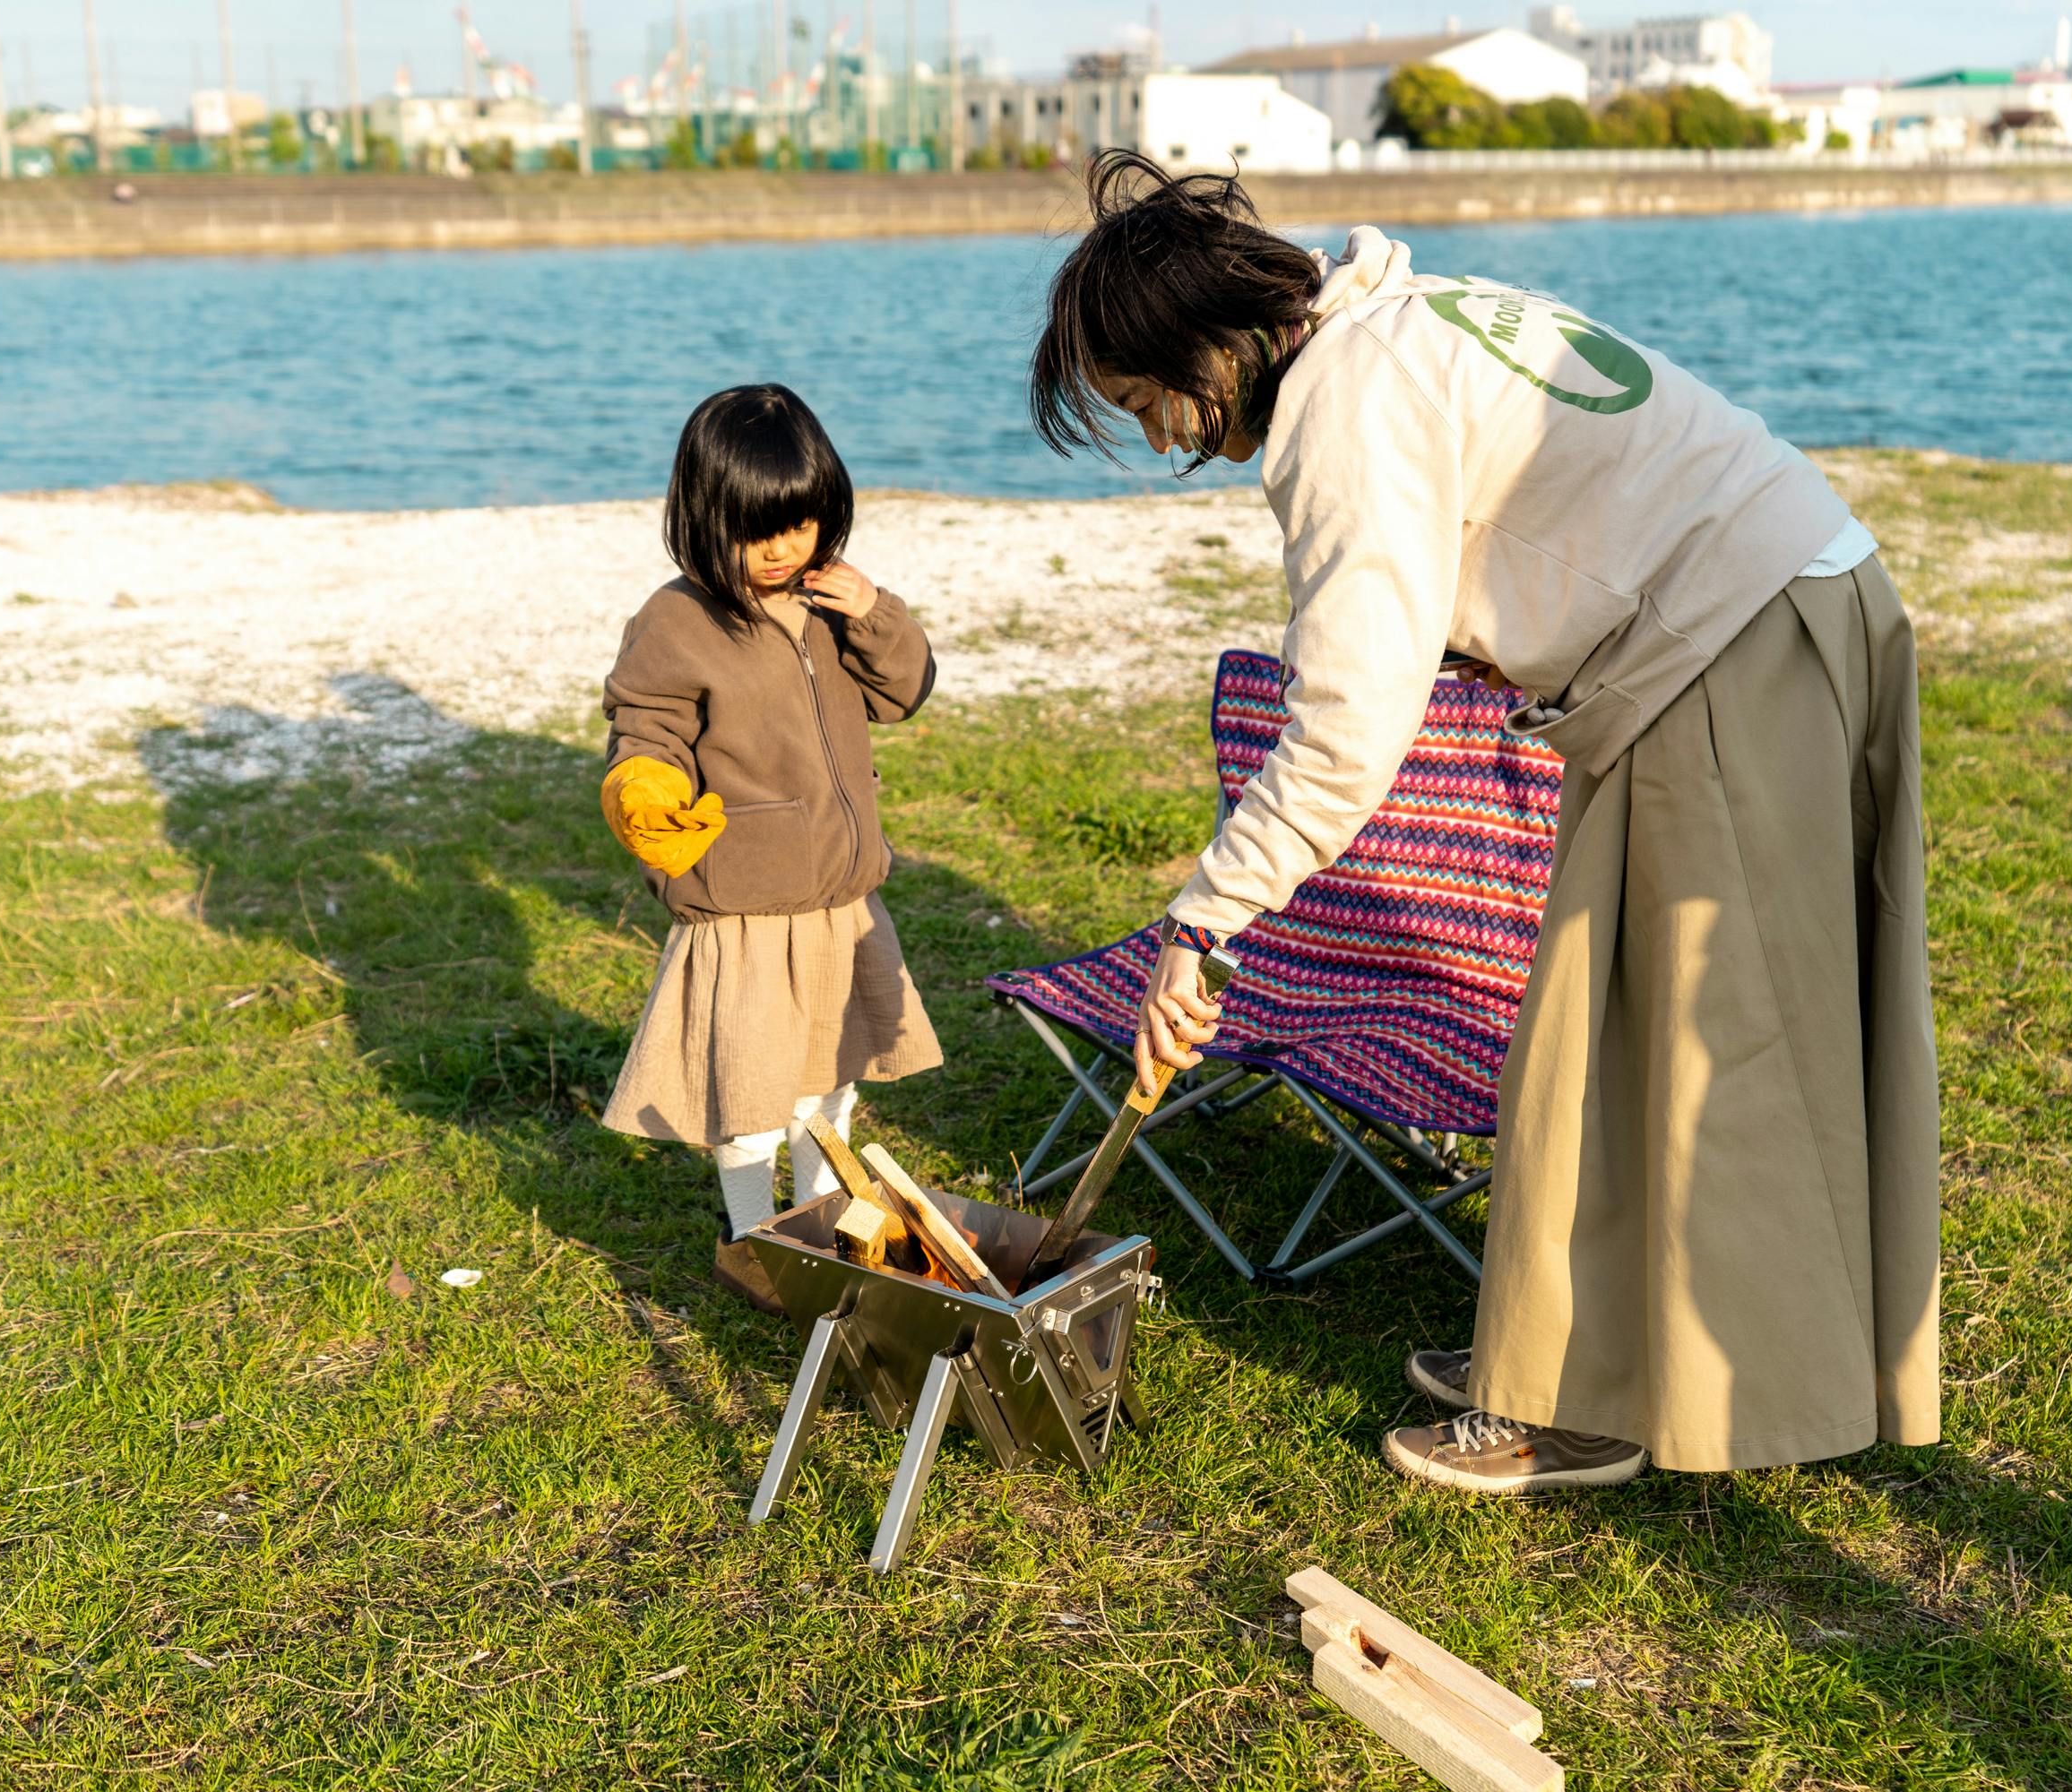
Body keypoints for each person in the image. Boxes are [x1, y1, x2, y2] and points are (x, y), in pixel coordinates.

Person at [1030, 152, 1939, 1494]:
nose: (1157, 436)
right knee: (1590, 1032)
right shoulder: (1392, 324)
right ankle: (1556, 1356)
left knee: (1702, 1057)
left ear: (1206, 346)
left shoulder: (1345, 405)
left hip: (1738, 642)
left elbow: (1347, 718)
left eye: (1144, 398)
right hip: (1772, 610)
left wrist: (1205, 918)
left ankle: (1597, 1412)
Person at [600, 383, 945, 1313]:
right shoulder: (676, 623)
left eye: (803, 521)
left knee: (825, 1081)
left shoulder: (833, 603)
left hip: (838, 898)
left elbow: (904, 689)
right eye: (761, 532)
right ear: (704, 521)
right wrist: (645, 790)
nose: (786, 547)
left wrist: (874, 609)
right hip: (743, 906)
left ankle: (824, 1220)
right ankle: (752, 1237)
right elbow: (646, 730)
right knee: (748, 1091)